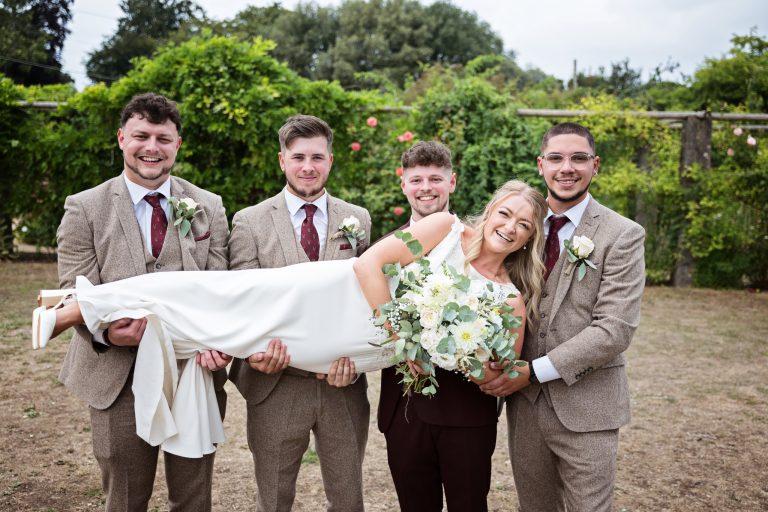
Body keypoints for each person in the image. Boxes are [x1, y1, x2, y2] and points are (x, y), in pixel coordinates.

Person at [34, 179, 544, 501]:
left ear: (530, 238)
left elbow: (497, 370)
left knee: (226, 336)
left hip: (361, 347)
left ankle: (110, 311)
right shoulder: (444, 229)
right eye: (505, 213)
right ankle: (82, 306)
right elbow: (371, 262)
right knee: (230, 295)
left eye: (523, 225)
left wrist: (476, 361)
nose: (510, 227)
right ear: (491, 209)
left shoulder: (508, 297)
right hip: (341, 296)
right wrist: (399, 327)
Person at [53, 92, 231, 511]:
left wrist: (221, 341)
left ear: (177, 145)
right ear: (121, 139)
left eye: (163, 139)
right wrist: (107, 332)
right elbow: (72, 292)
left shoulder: (209, 206)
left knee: (193, 496)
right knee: (126, 498)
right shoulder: (85, 208)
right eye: (141, 136)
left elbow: (224, 288)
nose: (152, 147)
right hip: (119, 378)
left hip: (192, 373)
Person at [480, 122, 646, 511]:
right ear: (541, 165)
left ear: (595, 165)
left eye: (578, 158)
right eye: (556, 158)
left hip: (588, 407)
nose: (566, 167)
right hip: (525, 408)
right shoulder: (518, 229)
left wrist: (533, 371)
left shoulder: (622, 234)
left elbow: (614, 330)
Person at [227, 114, 372, 512]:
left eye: (317, 157)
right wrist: (255, 355)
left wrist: (357, 361)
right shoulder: (249, 221)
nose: (308, 166)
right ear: (282, 161)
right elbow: (242, 299)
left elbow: (365, 299)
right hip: (276, 382)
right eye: (298, 157)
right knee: (273, 498)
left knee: (348, 499)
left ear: (330, 160)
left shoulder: (357, 218)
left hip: (341, 384)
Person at [379, 141, 525, 511]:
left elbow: (505, 359)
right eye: (417, 179)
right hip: (406, 406)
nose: (426, 187)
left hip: (466, 410)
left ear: (453, 183)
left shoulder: (483, 251)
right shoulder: (387, 247)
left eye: (436, 179)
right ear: (403, 185)